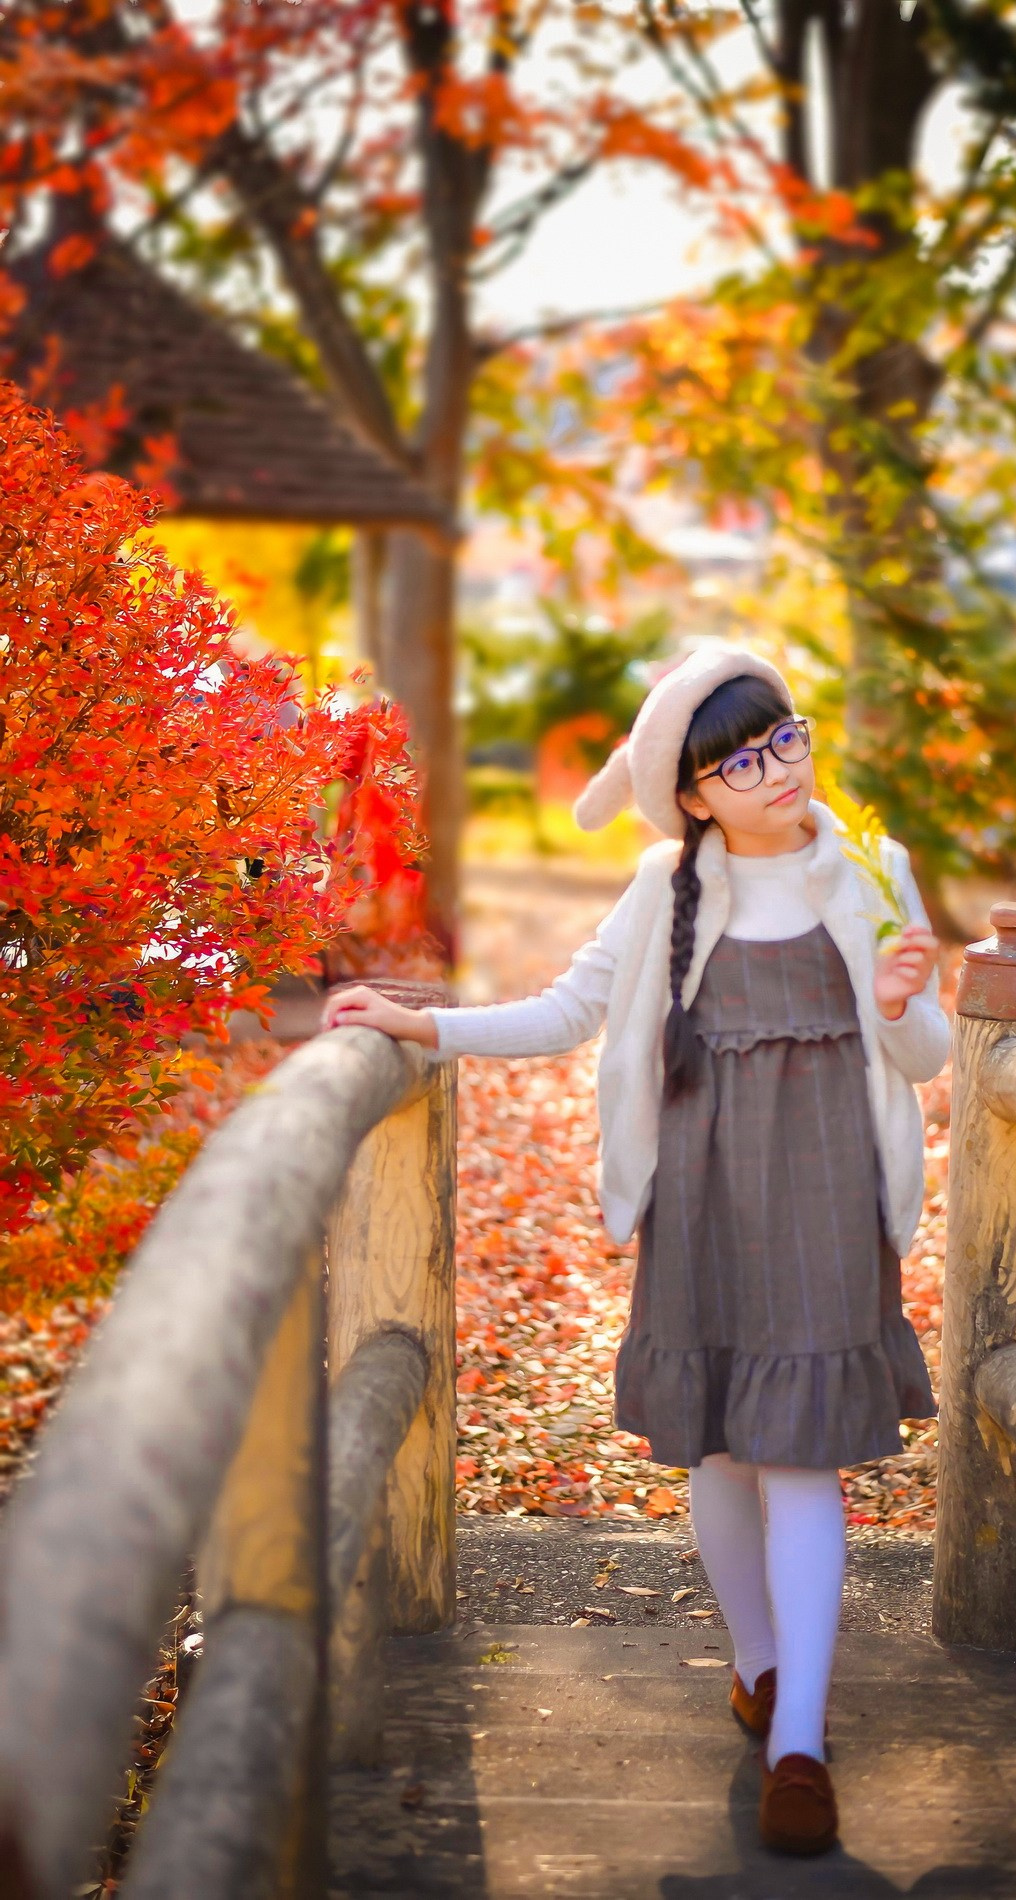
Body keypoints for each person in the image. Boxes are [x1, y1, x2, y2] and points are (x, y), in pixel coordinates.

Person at [322, 644, 946, 1858]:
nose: (780, 770)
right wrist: (422, 1022)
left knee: (801, 1452)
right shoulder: (664, 884)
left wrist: (900, 998)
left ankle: (802, 1744)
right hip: (702, 1191)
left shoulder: (872, 868)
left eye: (788, 738)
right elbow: (565, 1011)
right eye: (742, 759)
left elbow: (924, 1057)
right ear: (694, 794)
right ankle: (758, 1667)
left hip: (824, 1192)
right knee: (716, 1440)